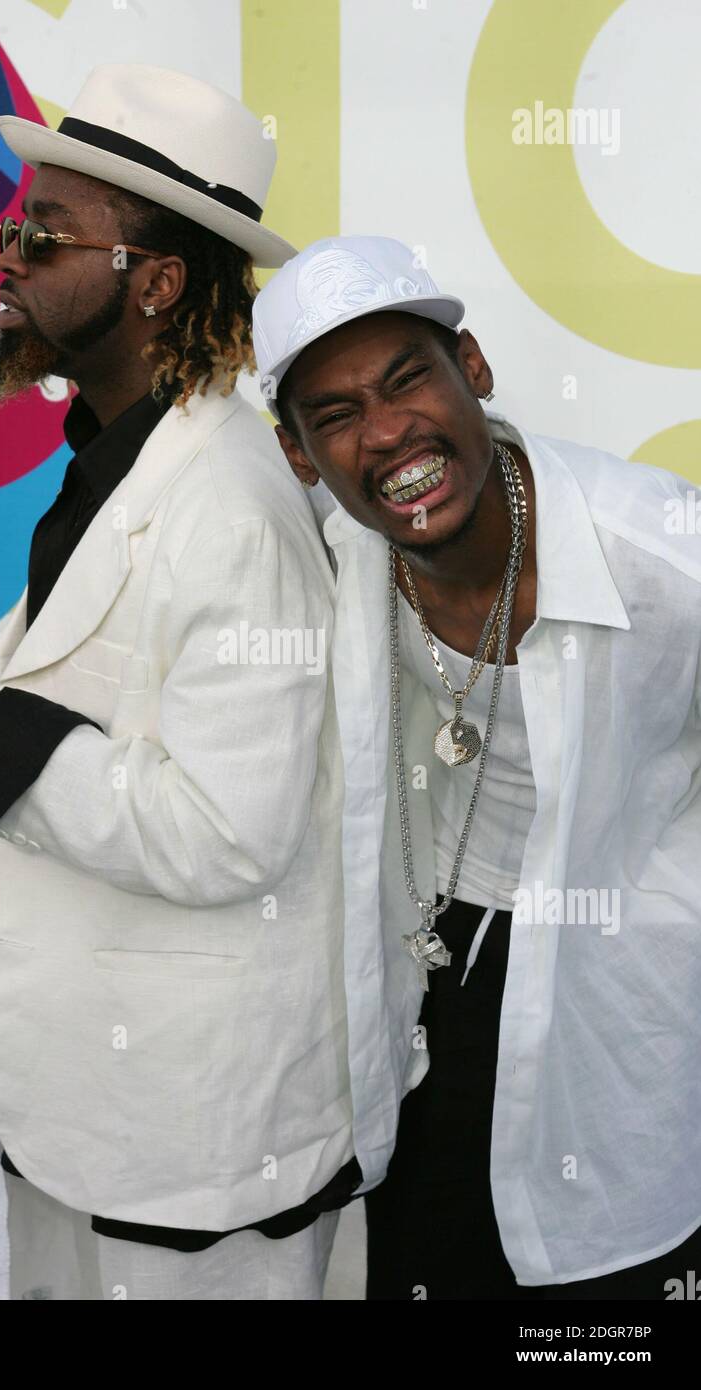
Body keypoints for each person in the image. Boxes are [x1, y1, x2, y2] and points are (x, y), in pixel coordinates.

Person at [0, 66, 361, 1301]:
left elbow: (231, 830)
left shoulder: (229, 504)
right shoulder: (125, 452)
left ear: (155, 281)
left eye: (45, 233)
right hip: (97, 1110)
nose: (8, 255)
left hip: (194, 1148)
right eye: (12, 225)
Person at [253, 234, 701, 1300]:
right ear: (302, 457)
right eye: (338, 414)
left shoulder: (659, 547)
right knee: (432, 1259)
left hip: (621, 981)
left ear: (476, 369)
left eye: (408, 378)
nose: (389, 430)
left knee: (615, 1272)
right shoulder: (328, 556)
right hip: (432, 977)